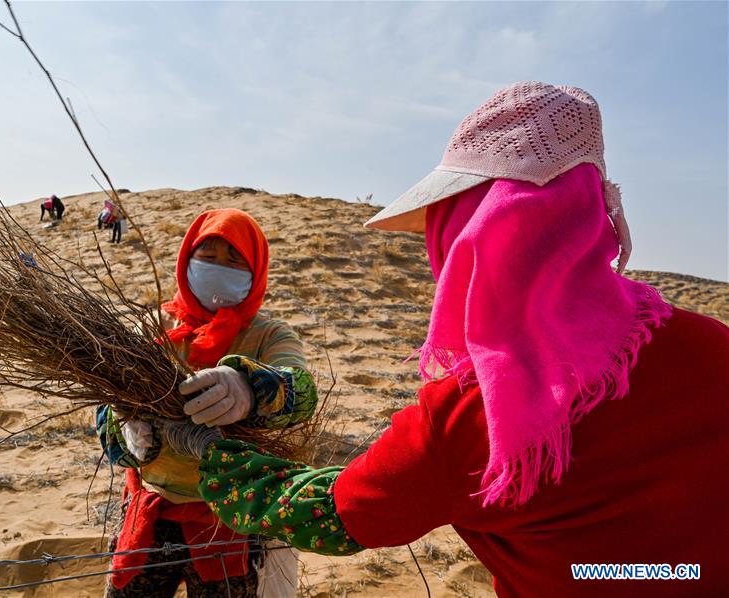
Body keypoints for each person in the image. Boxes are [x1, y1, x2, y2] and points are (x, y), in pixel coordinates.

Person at [163, 82, 729, 596]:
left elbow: (333, 516)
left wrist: (214, 454)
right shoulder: (711, 346)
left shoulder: (481, 418)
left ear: (474, 234)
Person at [96, 208, 319, 597]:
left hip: (231, 514)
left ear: (256, 269)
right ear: (187, 262)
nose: (219, 268)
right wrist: (122, 424)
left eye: (234, 260)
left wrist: (250, 387)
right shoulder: (153, 329)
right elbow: (105, 407)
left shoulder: (269, 335)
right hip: (152, 510)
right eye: (208, 257)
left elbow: (302, 392)